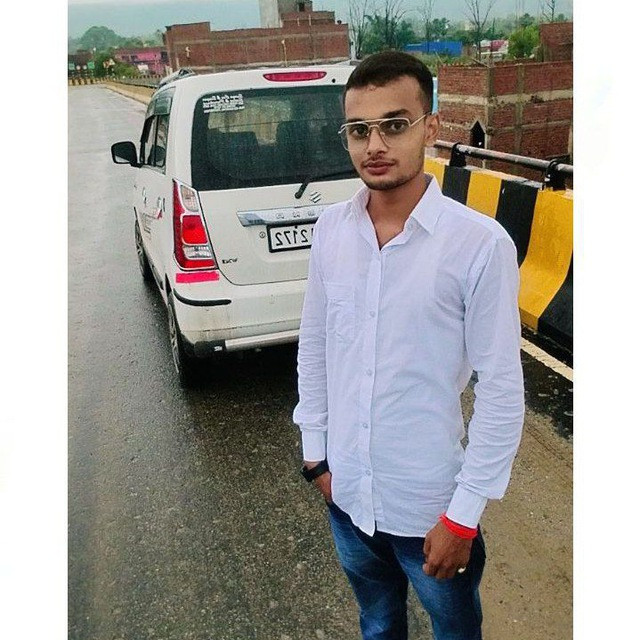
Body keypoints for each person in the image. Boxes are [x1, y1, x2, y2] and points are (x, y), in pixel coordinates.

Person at [292, 50, 525, 640]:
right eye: (358, 130)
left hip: (430, 510)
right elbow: (315, 346)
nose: (375, 144)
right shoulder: (331, 231)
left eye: (394, 125)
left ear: (430, 127)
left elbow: (501, 391)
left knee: (454, 631)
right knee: (377, 625)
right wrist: (317, 457)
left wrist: (462, 517)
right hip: (347, 499)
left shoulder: (479, 246)